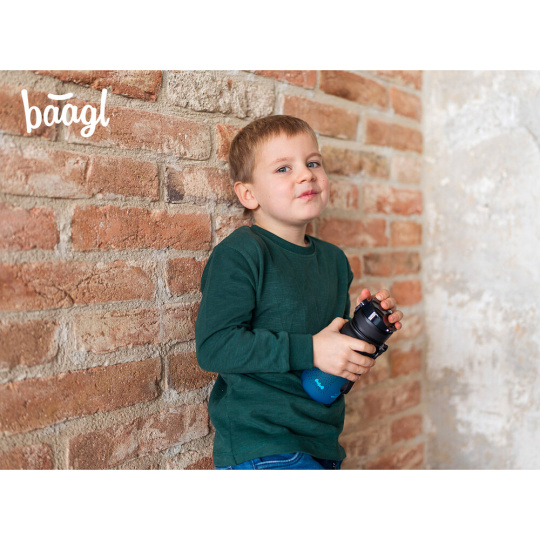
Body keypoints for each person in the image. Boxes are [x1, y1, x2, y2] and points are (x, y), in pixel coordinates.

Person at [195, 115, 403, 470]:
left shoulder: (335, 262)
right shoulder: (241, 254)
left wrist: (364, 332)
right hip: (264, 447)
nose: (306, 175)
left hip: (323, 443)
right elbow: (214, 347)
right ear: (248, 194)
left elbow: (327, 357)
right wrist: (313, 349)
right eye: (283, 169)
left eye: (313, 163)